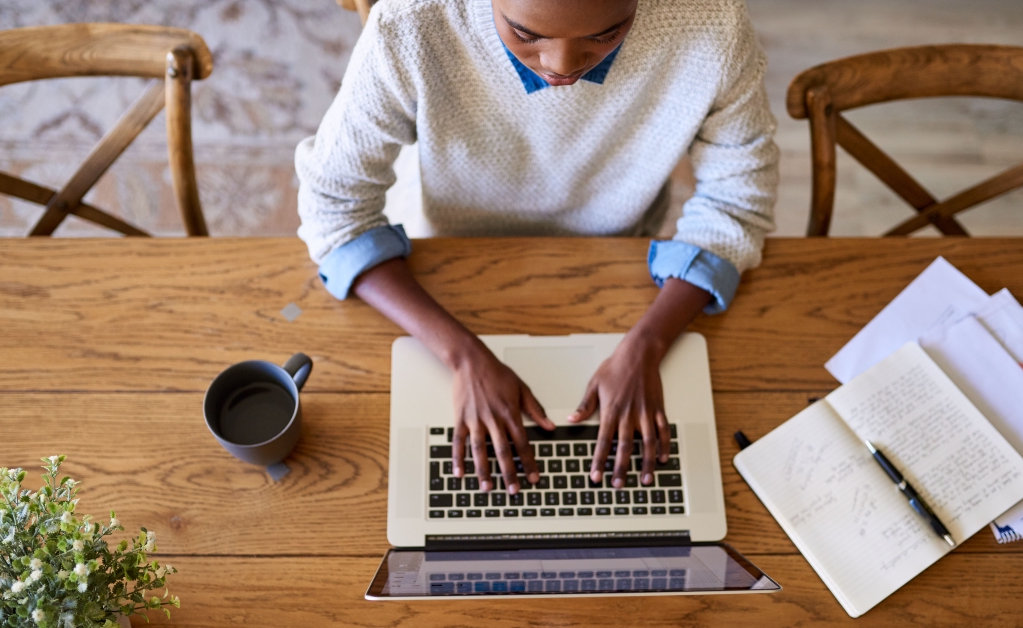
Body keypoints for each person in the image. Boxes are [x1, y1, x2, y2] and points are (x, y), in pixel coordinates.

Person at [297, 0, 778, 498]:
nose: (562, 67)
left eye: (608, 33)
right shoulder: (411, 24)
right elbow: (335, 210)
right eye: (527, 35)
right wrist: (461, 357)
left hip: (620, 257)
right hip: (448, 255)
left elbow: (738, 197)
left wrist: (649, 344)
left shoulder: (713, 24)